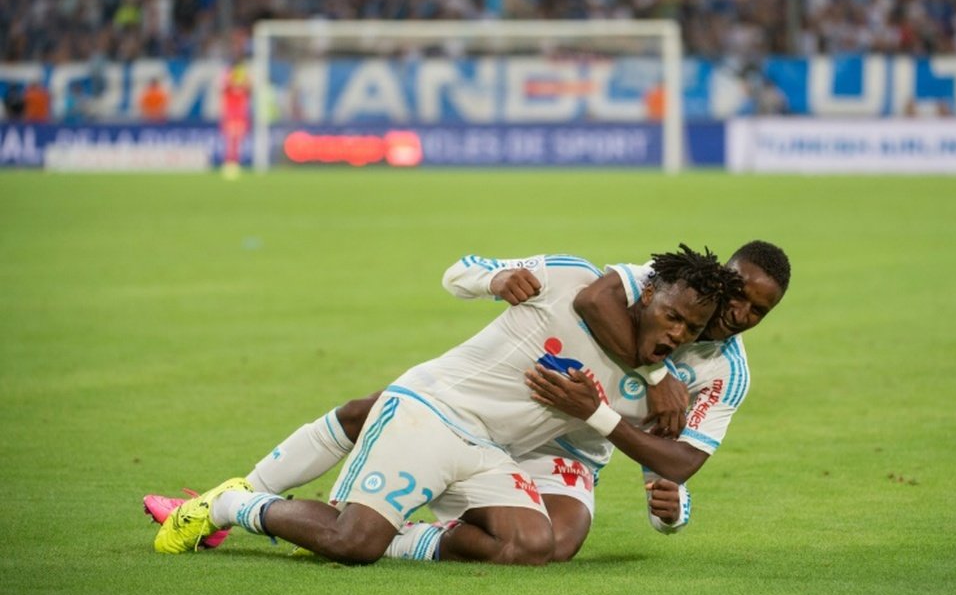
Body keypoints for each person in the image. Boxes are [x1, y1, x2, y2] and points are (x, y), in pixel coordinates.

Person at [148, 241, 790, 562]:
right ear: (649, 293)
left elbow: (674, 455)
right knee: (359, 486)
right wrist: (492, 278)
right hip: (445, 409)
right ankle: (230, 501)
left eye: (759, 311)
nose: (742, 313)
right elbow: (588, 299)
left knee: (542, 546)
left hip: (535, 444)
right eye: (739, 296)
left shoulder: (717, 365)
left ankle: (393, 530)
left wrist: (669, 512)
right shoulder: (600, 281)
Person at [220, 63, 250, 177]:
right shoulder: (228, 90)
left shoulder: (243, 90)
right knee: (230, 142)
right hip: (230, 117)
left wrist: (244, 76)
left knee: (237, 142)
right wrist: (228, 75)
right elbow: (223, 86)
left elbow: (249, 87)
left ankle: (235, 163)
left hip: (240, 118)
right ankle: (229, 163)